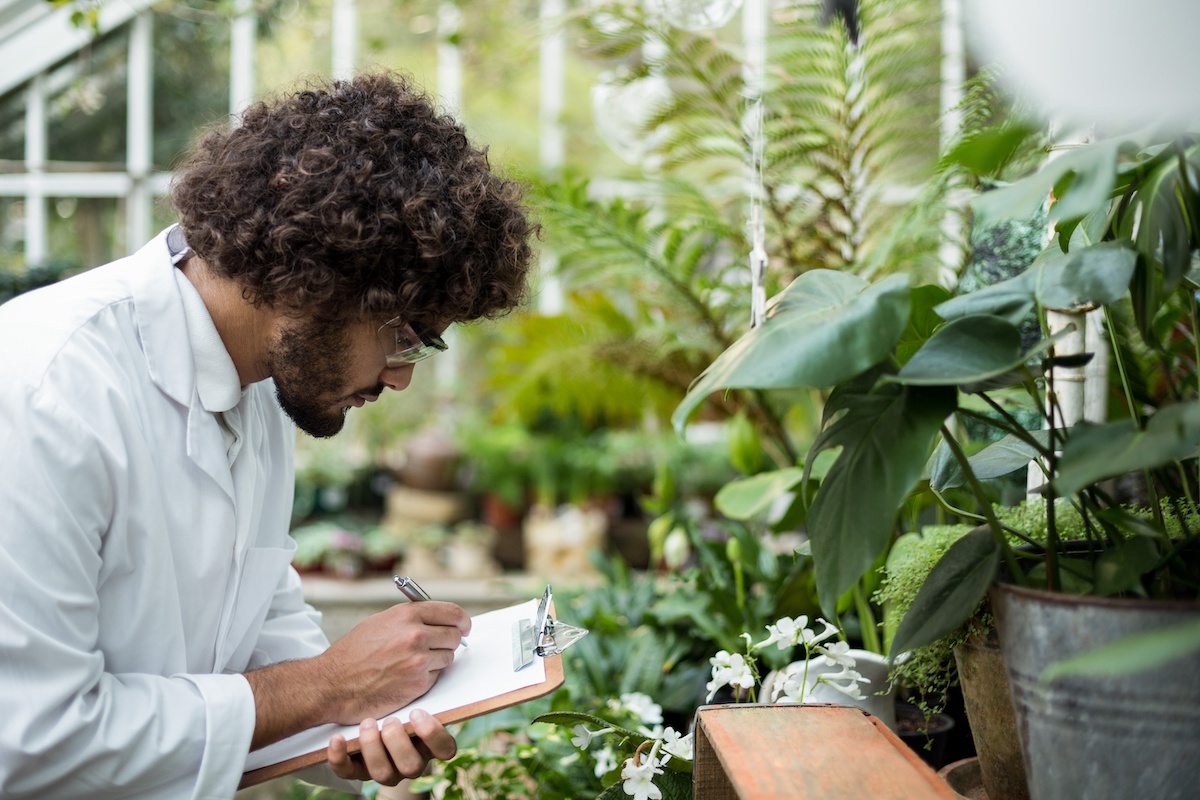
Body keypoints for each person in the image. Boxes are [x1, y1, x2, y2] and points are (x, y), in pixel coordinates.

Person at [0, 71, 536, 799]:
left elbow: (261, 626)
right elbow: (31, 738)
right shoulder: (43, 390)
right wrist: (325, 688)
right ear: (313, 279)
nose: (402, 377)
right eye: (406, 338)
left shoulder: (256, 384)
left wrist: (361, 720)